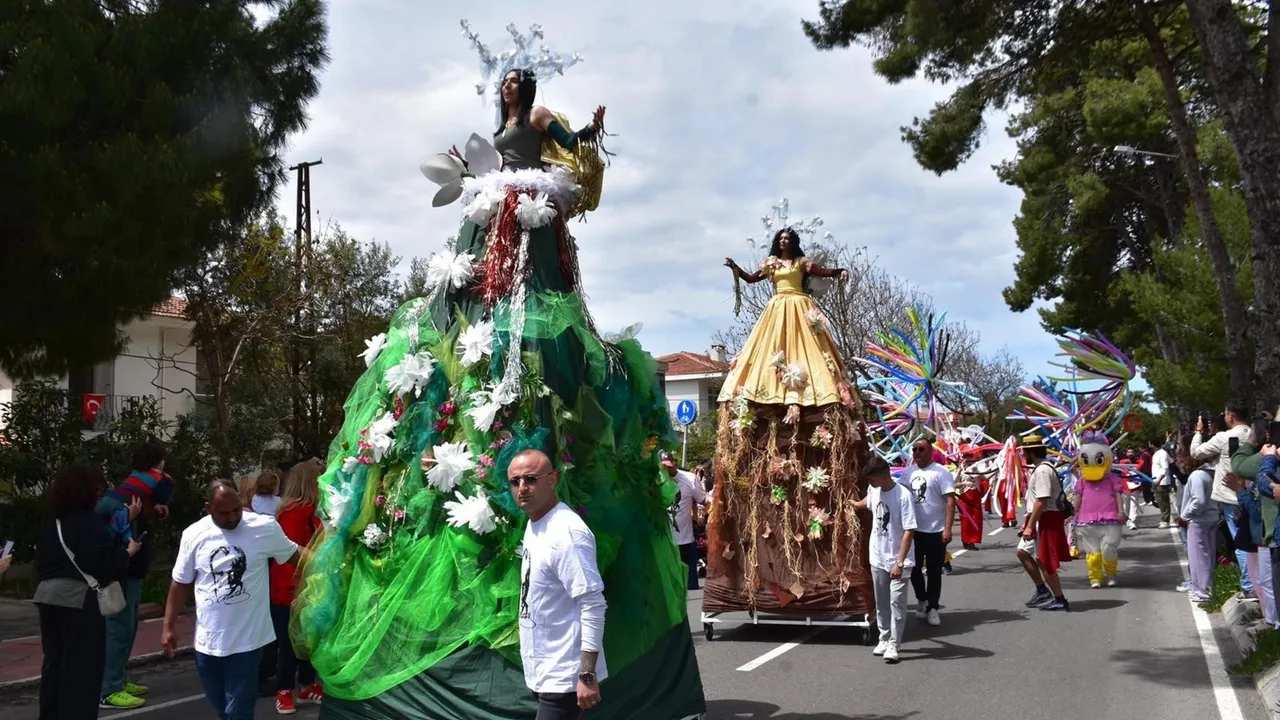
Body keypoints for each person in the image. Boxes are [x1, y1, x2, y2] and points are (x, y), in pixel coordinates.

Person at [288, 53, 705, 719]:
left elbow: (579, 168)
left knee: (537, 344)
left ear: (531, 89)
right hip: (486, 231)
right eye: (506, 80)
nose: (512, 86)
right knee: (457, 328)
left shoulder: (541, 122)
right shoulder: (493, 137)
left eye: (519, 79)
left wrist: (580, 138)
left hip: (532, 235)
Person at [161, 479, 303, 720]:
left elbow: (296, 555)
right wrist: (168, 627)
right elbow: (180, 583)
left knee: (238, 712)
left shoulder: (263, 527)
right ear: (208, 508)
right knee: (223, 709)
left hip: (249, 642)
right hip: (207, 643)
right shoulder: (194, 534)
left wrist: (334, 565)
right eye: (224, 513)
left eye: (236, 509)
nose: (232, 517)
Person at [35, 466, 140, 719]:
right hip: (79, 601)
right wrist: (126, 554)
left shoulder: (52, 521)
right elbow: (101, 563)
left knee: (54, 666)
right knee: (83, 670)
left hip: (47, 597)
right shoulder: (88, 521)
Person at [509, 449, 607, 719]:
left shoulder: (566, 533)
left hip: (565, 674)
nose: (522, 488)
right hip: (543, 670)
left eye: (530, 479)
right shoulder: (536, 523)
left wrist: (586, 674)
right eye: (515, 481)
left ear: (552, 480)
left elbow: (593, 604)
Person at [721, 228, 854, 422]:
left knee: (806, 347)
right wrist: (735, 268)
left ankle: (814, 394)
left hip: (799, 305)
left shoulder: (801, 262)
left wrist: (839, 271)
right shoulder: (771, 264)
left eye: (787, 238)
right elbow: (751, 279)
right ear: (778, 242)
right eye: (781, 238)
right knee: (771, 347)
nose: (784, 241)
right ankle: (770, 394)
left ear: (793, 242)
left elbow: (822, 271)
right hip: (777, 308)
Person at [98, 438, 172, 709]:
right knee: (119, 629)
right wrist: (128, 518)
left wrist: (151, 510)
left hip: (134, 567)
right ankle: (109, 689)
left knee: (129, 627)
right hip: (122, 569)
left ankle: (118, 677)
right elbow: (108, 516)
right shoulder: (133, 489)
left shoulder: (138, 489)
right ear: (158, 461)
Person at [270, 460, 325, 714]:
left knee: (308, 640)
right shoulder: (293, 514)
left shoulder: (309, 511)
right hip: (291, 589)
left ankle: (305, 686)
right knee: (289, 643)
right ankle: (284, 690)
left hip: (308, 586)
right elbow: (291, 555)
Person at [854, 456, 916, 664]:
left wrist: (899, 562)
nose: (869, 484)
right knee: (881, 602)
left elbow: (909, 530)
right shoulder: (875, 490)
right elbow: (867, 502)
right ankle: (883, 637)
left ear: (883, 475)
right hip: (877, 557)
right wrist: (854, 504)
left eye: (872, 479)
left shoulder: (903, 496)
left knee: (896, 603)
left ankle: (894, 644)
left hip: (898, 559)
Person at [1192, 406, 1256, 598]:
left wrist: (1198, 431)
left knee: (1242, 542)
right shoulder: (1257, 434)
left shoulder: (1224, 438)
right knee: (1257, 542)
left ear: (1230, 416)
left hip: (1230, 496)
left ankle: (1249, 586)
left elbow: (1196, 452)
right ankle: (1258, 584)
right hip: (1255, 494)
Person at [897, 439, 955, 626]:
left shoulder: (941, 472)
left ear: (930, 451)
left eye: (921, 449)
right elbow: (900, 498)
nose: (917, 453)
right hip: (914, 531)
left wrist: (947, 528)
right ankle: (921, 598)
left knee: (934, 572)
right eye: (914, 450)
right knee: (913, 569)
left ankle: (933, 607)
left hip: (936, 531)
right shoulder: (908, 473)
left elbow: (950, 501)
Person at [1018, 437, 1072, 611]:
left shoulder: (1042, 471)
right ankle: (1042, 589)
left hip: (1046, 518)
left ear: (1032, 452)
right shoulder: (1041, 468)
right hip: (1040, 517)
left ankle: (1059, 598)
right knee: (1023, 553)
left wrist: (1029, 525)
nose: (1023, 455)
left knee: (1044, 560)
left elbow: (1041, 500)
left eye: (1025, 452)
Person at [1070, 430, 1126, 589]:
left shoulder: (1113, 479)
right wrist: (1072, 513)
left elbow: (1118, 496)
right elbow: (1078, 497)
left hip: (1111, 518)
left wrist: (1121, 512)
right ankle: (1095, 577)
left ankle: (1111, 573)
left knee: (1108, 549)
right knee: (1093, 554)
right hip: (1086, 520)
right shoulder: (1082, 481)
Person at [662, 452, 707, 591]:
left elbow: (704, 500)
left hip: (686, 539)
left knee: (691, 586)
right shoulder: (656, 480)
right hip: (665, 541)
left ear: (675, 462)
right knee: (671, 588)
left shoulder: (689, 479)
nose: (667, 470)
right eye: (663, 467)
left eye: (669, 466)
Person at [1179, 457, 1218, 600]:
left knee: (1198, 556)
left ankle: (1202, 590)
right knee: (1208, 554)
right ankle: (1207, 586)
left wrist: (1185, 515)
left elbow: (1198, 501)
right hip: (1212, 517)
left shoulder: (1197, 475)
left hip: (1198, 520)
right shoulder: (1210, 474)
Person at [1152, 438, 1174, 527]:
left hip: (1162, 482)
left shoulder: (1162, 453)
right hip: (1156, 480)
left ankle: (1165, 521)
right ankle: (1163, 519)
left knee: (1164, 502)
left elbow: (1165, 468)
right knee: (1160, 502)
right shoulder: (1157, 453)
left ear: (1152, 444)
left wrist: (1159, 479)